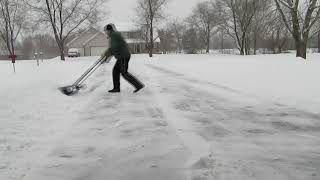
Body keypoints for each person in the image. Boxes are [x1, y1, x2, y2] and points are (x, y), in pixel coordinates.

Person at [101, 23, 144, 93]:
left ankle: (138, 85)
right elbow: (114, 48)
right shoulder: (113, 36)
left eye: (106, 31)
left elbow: (114, 47)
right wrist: (107, 54)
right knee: (115, 71)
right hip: (121, 56)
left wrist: (106, 54)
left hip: (123, 56)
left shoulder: (114, 35)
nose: (105, 33)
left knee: (124, 73)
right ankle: (116, 88)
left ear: (109, 30)